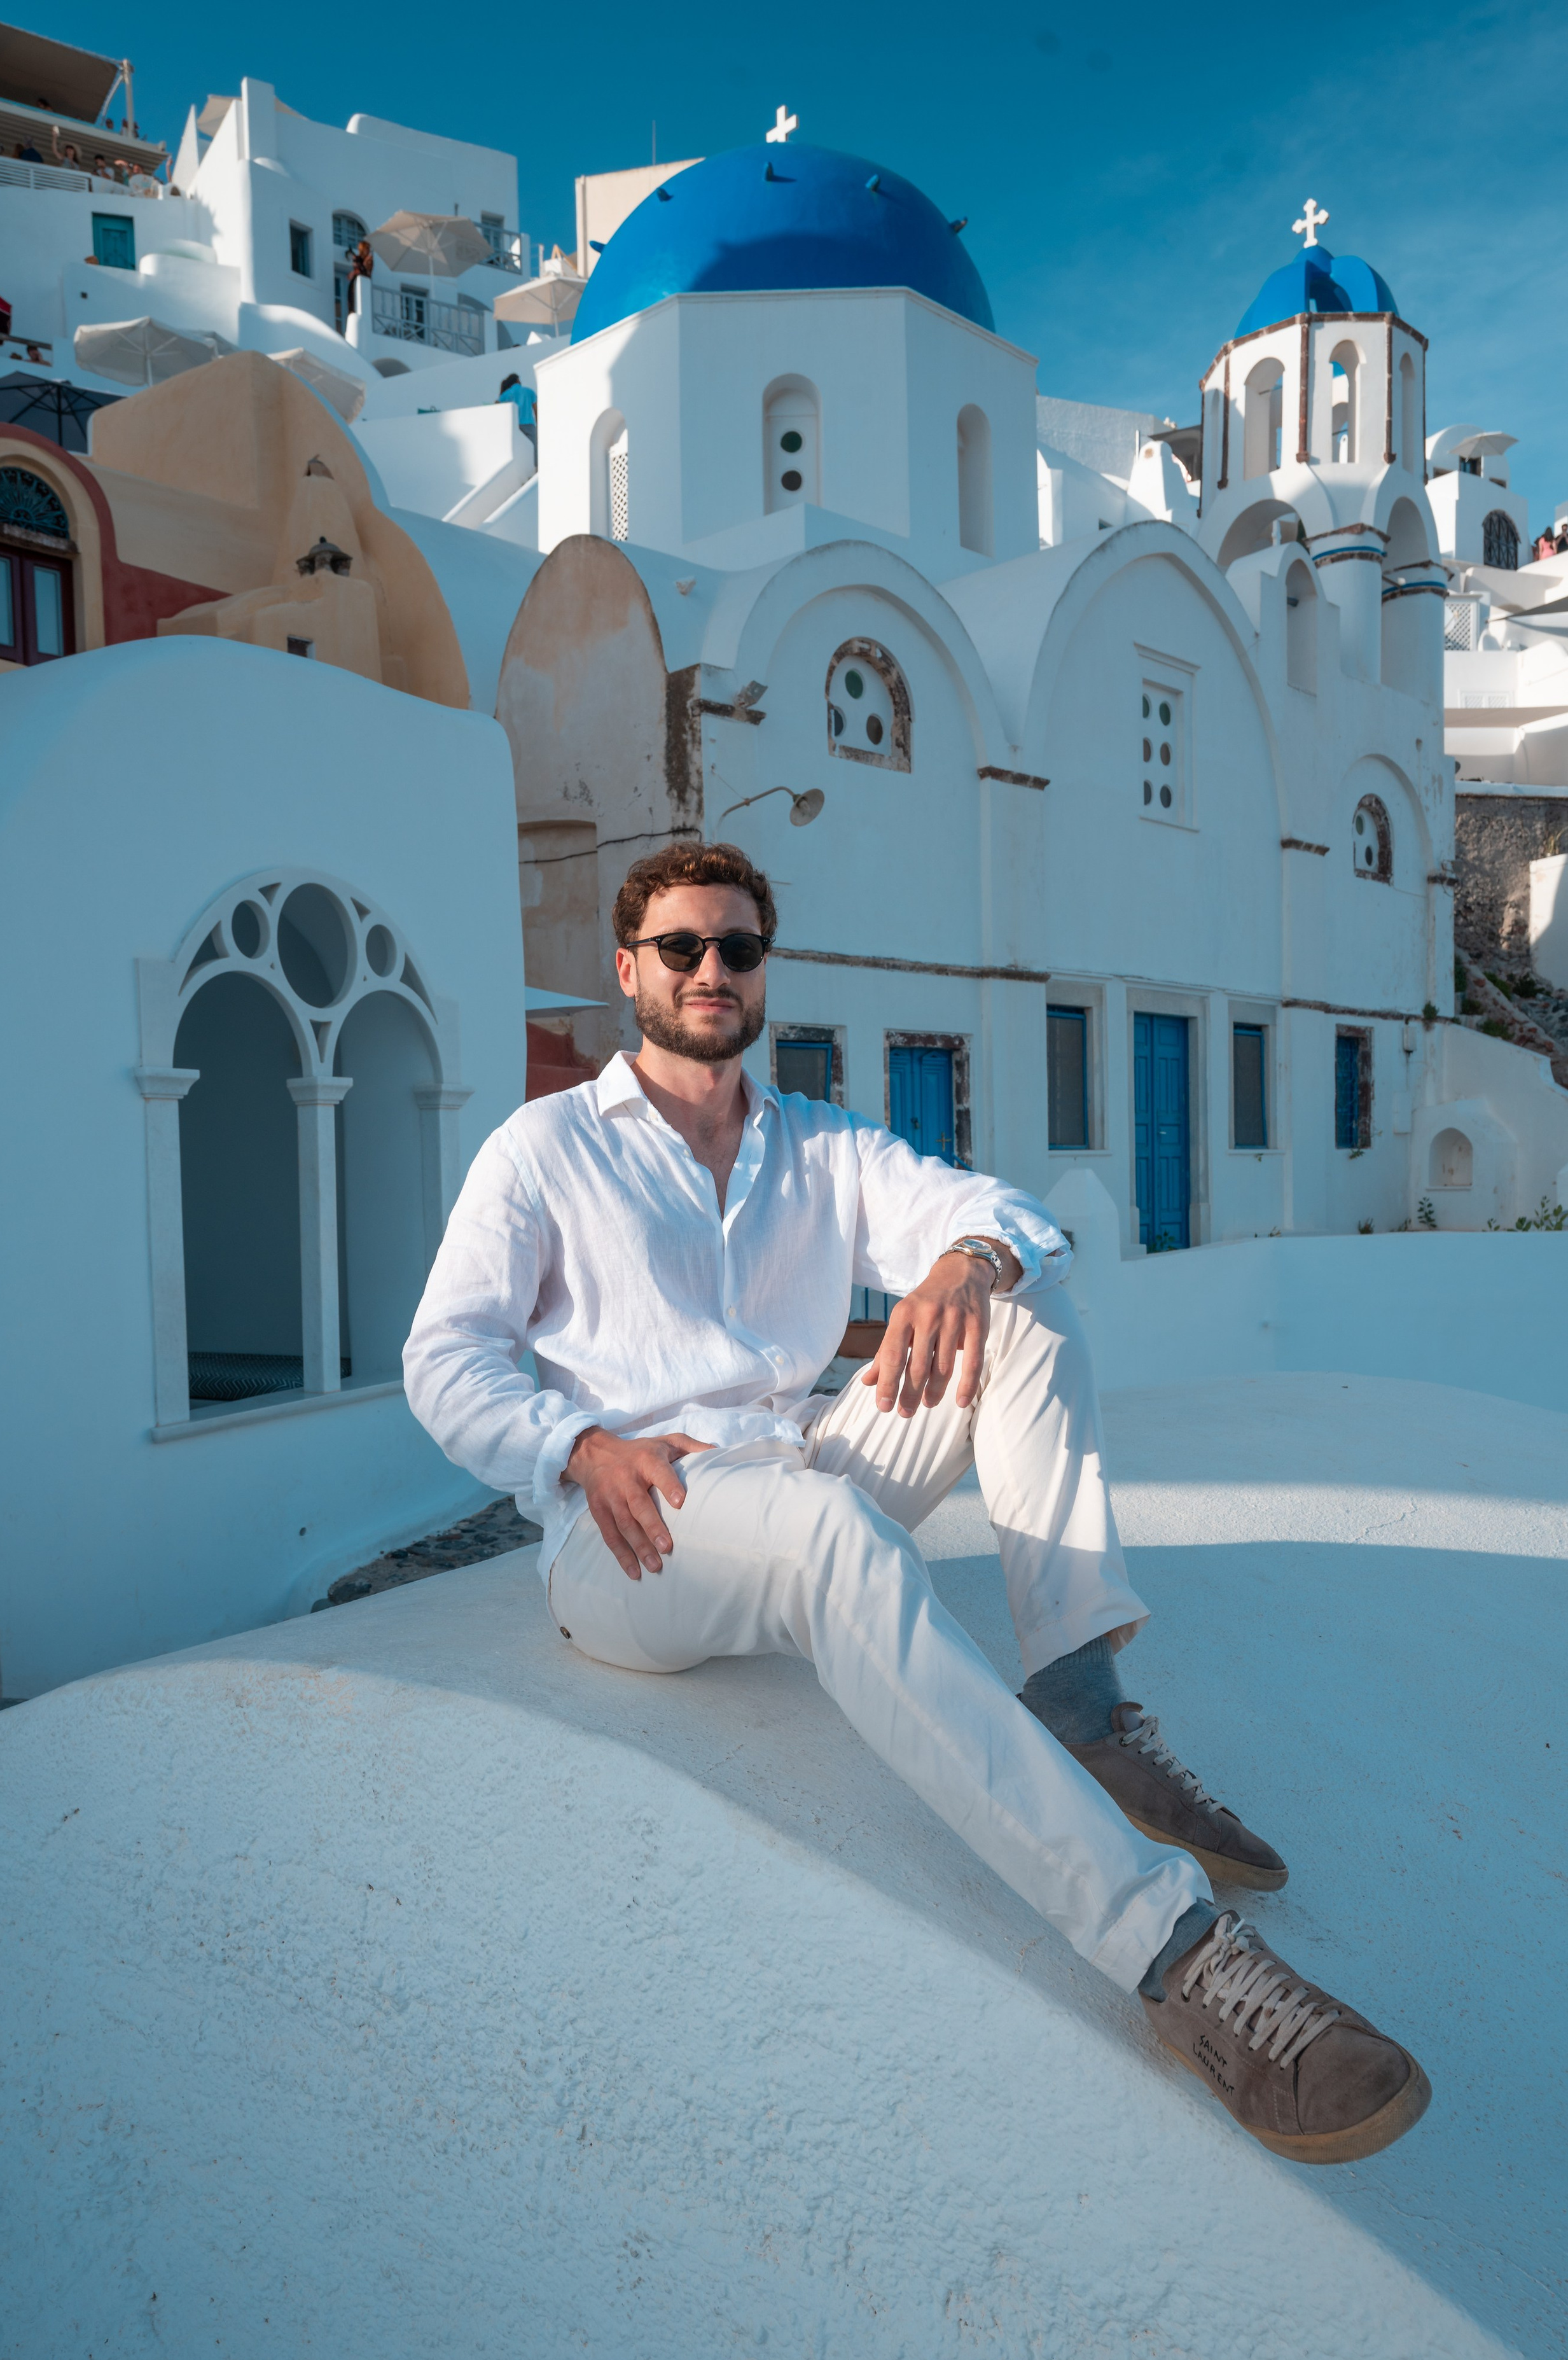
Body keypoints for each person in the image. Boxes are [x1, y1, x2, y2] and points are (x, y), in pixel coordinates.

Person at [405, 839, 1432, 2167]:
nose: (711, 969)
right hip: (636, 1530)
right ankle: (1177, 1962)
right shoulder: (541, 1151)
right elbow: (442, 1361)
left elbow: (1004, 1214)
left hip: (805, 1465)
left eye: (737, 948)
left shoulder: (815, 1144)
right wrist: (578, 1443)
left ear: (764, 970)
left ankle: (1077, 1696)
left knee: (1022, 1300)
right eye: (681, 948)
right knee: (828, 1532)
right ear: (628, 971)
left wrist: (961, 1260)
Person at [497, 368, 538, 459]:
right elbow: (536, 410)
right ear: (518, 380)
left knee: (518, 449)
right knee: (534, 447)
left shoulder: (506, 394)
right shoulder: (530, 392)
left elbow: (497, 408)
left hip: (514, 426)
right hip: (529, 424)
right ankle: (535, 469)